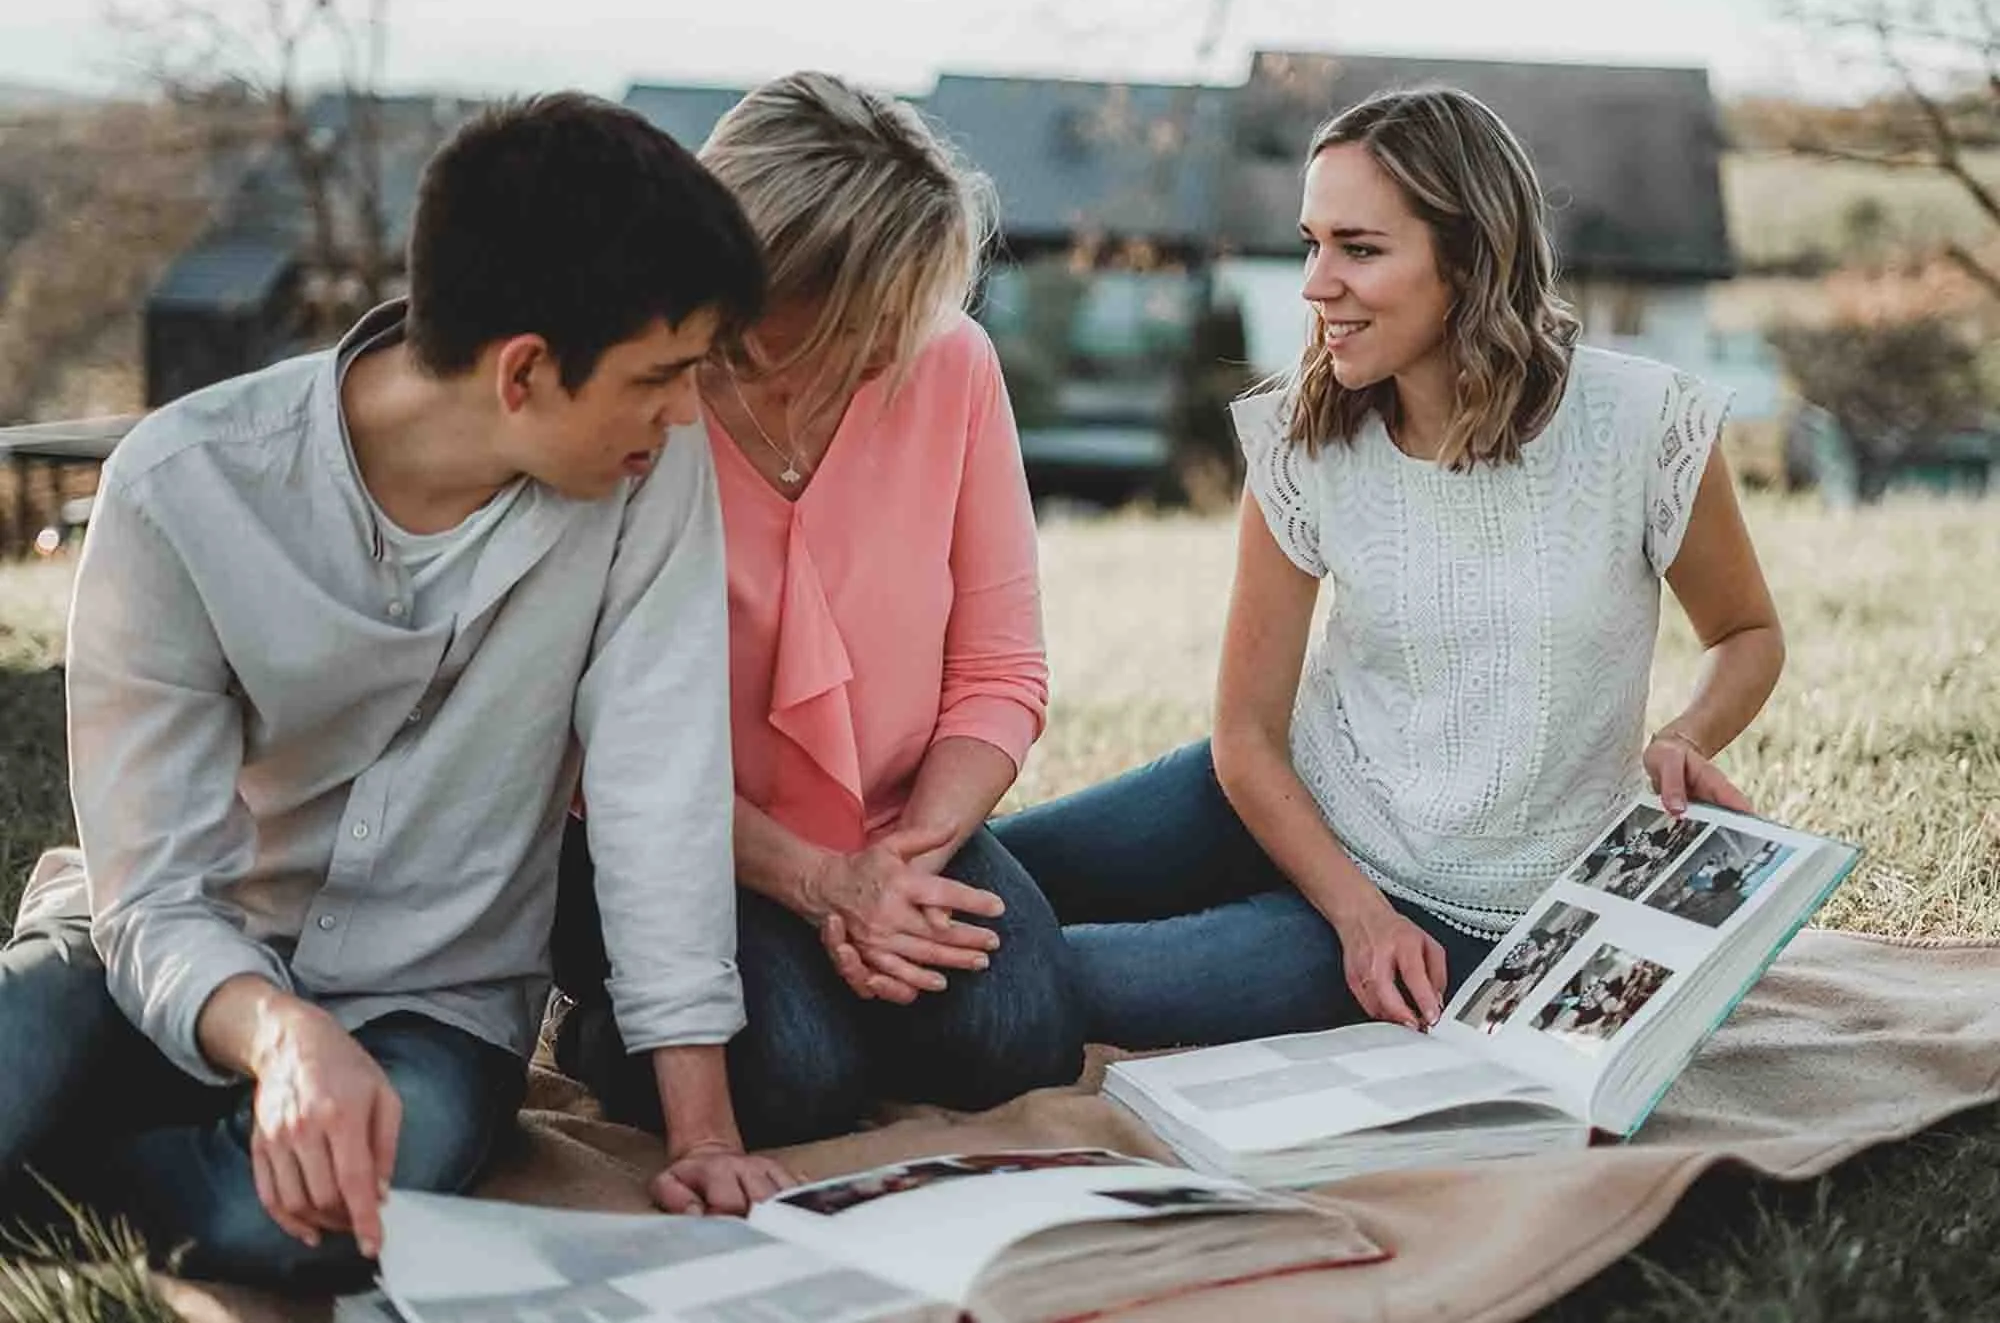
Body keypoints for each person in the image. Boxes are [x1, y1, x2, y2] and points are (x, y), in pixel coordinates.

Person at [0, 93, 792, 1292]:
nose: (687, 413)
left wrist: (705, 1138)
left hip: (434, 1008)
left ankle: (48, 1182)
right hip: (167, 961)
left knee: (319, 1217)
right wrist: (281, 1037)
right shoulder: (179, 493)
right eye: (661, 376)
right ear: (523, 372)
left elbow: (657, 778)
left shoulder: (648, 474)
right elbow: (153, 894)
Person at [990, 86, 1785, 1049]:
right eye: (1313, 242)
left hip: (1460, 922)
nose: (1316, 283)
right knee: (968, 879)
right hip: (1272, 803)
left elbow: (1746, 633)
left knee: (1044, 988)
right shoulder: (1302, 437)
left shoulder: (1645, 427)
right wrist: (1352, 906)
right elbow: (1244, 734)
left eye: (1359, 249)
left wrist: (1690, 731)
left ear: (1468, 256)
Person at [551, 71, 1084, 1148]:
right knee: (796, 1079)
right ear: (764, 284)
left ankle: (843, 977)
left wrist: (901, 866)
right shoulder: (634, 392)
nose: (904, 339)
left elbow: (998, 672)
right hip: (666, 838)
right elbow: (576, 739)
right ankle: (603, 1029)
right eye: (871, 308)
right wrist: (813, 884)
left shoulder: (952, 367)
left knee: (1023, 1038)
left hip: (895, 827)